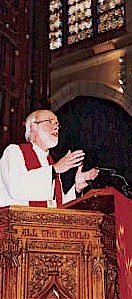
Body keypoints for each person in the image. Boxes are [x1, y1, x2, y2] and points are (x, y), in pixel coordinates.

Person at [0, 109, 99, 207]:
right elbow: (16, 188)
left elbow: (57, 207)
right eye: (50, 121)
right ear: (34, 126)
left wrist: (77, 188)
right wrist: (55, 169)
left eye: (57, 124)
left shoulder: (50, 163)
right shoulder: (14, 152)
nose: (56, 127)